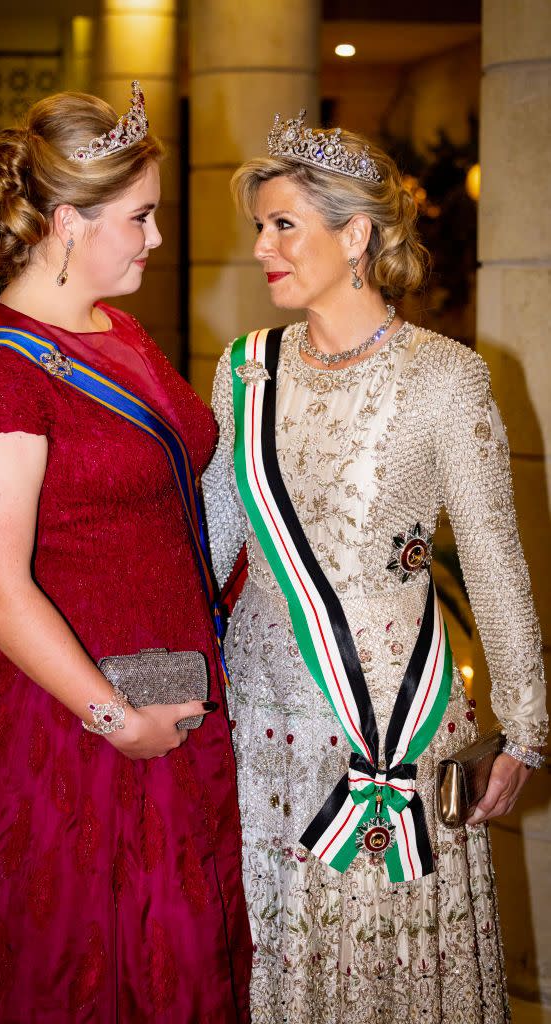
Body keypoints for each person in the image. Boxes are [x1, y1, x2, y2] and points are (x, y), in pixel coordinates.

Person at [0, 84, 251, 1023]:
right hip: (74, 715)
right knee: (72, 958)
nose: (155, 238)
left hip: (179, 681)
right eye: (140, 217)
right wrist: (113, 719)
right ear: (66, 221)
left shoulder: (115, 330)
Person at [201, 112, 548, 1023]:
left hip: (388, 723)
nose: (260, 246)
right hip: (261, 724)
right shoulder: (244, 371)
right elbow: (210, 540)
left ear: (354, 234)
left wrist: (523, 729)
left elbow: (494, 561)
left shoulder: (446, 376)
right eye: (259, 224)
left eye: (282, 224)